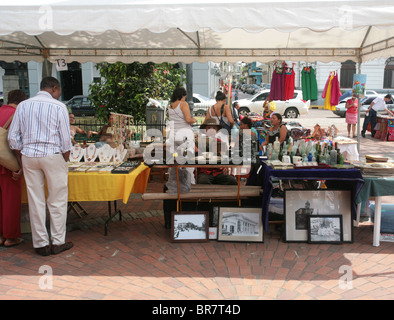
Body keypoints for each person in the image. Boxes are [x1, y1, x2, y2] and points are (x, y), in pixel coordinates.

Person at [8, 76, 73, 256]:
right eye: (58, 91)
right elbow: (66, 140)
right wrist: (64, 160)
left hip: (29, 155)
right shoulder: (58, 106)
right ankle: (58, 241)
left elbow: (13, 139)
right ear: (54, 88)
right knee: (57, 199)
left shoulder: (23, 106)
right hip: (52, 155)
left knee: (35, 200)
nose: (59, 95)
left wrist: (22, 159)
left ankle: (41, 244)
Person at [0, 90, 27, 248]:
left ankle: (1, 235)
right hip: (9, 164)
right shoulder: (17, 115)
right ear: (22, 101)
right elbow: (16, 143)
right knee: (11, 201)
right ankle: (10, 237)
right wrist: (21, 164)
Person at [167, 87, 196, 182]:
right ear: (182, 96)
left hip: (174, 136)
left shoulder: (170, 107)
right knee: (189, 161)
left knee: (175, 162)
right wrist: (194, 120)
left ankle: (174, 184)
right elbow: (188, 120)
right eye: (184, 96)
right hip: (184, 136)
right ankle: (190, 183)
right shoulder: (183, 104)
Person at [196, 118, 237, 185]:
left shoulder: (220, 142)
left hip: (218, 172)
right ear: (205, 130)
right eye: (209, 128)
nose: (211, 130)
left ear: (217, 130)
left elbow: (225, 156)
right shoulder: (199, 142)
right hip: (204, 172)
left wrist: (226, 165)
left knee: (232, 181)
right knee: (203, 181)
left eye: (214, 128)